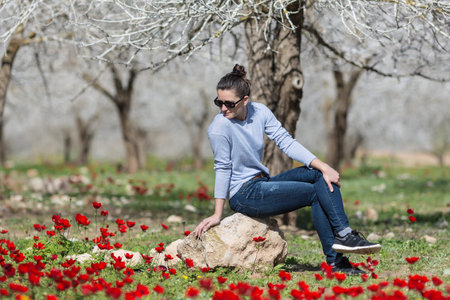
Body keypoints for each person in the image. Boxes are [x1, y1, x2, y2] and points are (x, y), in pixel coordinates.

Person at [193, 64, 381, 274]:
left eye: (229, 103)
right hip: (243, 194)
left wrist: (324, 165)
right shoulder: (219, 128)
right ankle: (336, 262)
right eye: (218, 102)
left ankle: (344, 234)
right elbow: (222, 168)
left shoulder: (260, 111)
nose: (223, 108)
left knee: (319, 175)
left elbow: (286, 142)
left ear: (245, 100)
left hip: (261, 183)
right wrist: (217, 213)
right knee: (316, 194)